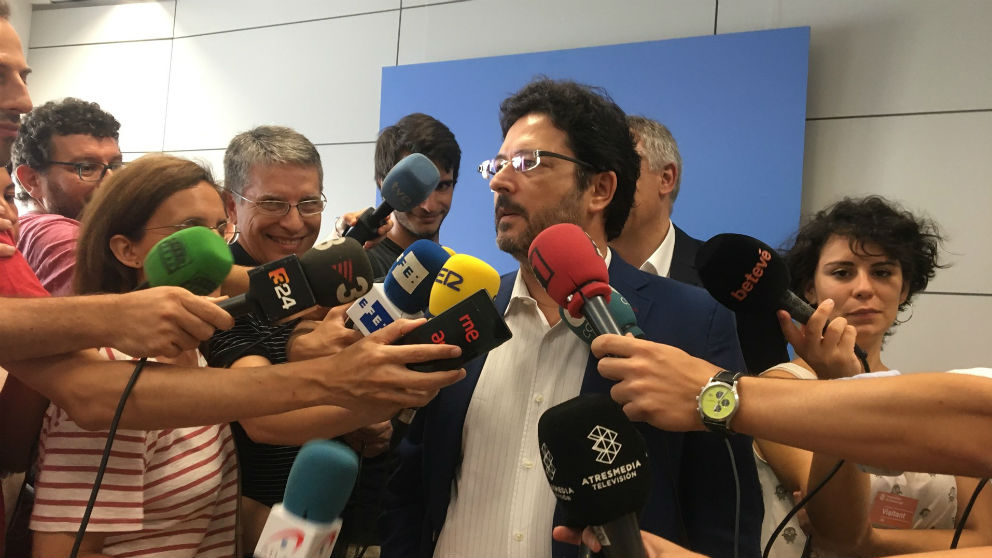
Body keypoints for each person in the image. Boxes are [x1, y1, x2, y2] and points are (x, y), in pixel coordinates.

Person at [382, 78, 762, 558]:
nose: (499, 181)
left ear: (600, 188)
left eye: (527, 162)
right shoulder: (464, 310)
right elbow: (412, 487)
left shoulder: (691, 322)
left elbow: (725, 519)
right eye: (496, 166)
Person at [753, 196, 992, 556]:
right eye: (842, 272)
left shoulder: (926, 397)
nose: (864, 288)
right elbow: (834, 524)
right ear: (809, 289)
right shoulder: (781, 388)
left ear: (904, 287)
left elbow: (984, 535)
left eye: (882, 272)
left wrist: (871, 542)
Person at [29, 154, 241, 557]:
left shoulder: (190, 353)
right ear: (128, 250)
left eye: (219, 228)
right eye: (190, 230)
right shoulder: (113, 374)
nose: (214, 249)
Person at [212, 125, 397, 553]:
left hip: (336, 529)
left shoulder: (330, 280)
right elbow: (262, 419)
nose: (294, 222)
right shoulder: (221, 295)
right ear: (231, 205)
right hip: (247, 537)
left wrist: (365, 432)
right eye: (273, 203)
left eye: (309, 203)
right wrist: (368, 399)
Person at [612, 115, 789, 373]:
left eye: (621, 163)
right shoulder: (564, 277)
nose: (606, 179)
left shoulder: (733, 282)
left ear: (666, 178)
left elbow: (768, 395)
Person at [11, 98, 122, 295]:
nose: (111, 181)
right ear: (32, 180)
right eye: (86, 168)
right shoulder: (57, 237)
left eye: (114, 166)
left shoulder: (23, 229)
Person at [361, 112, 461, 278]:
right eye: (414, 187)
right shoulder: (361, 265)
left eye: (442, 186)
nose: (429, 206)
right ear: (383, 183)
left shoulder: (453, 273)